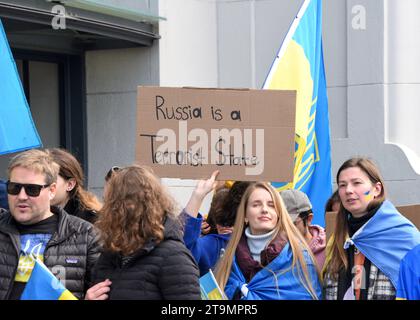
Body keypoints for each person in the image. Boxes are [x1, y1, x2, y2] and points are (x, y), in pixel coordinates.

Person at [86, 165, 200, 300]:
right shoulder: (110, 254)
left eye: (112, 204)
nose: (106, 211)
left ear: (131, 207)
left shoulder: (173, 257)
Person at [0, 149, 101, 300]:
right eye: (14, 188)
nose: (21, 196)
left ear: (52, 190)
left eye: (32, 189)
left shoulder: (85, 234)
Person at [323, 157, 420, 300]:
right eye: (342, 185)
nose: (348, 190)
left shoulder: (406, 237)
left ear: (377, 189)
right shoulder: (338, 238)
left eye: (356, 183)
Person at [215, 182, 321, 300]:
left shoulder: (299, 256)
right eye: (256, 205)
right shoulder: (228, 257)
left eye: (271, 205)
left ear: (279, 214)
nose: (264, 209)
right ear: (245, 215)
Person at [182, 170, 252, 276]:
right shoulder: (211, 244)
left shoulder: (262, 244)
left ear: (245, 217)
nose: (226, 223)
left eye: (233, 216)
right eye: (220, 216)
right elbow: (183, 251)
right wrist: (197, 196)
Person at [47, 148, 102, 224]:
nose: (41, 186)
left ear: (70, 184)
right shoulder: (31, 214)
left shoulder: (90, 221)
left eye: (50, 180)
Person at [280, 189, 326, 269]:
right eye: (279, 225)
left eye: (291, 224)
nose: (285, 230)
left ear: (309, 219)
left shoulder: (329, 248)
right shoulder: (274, 252)